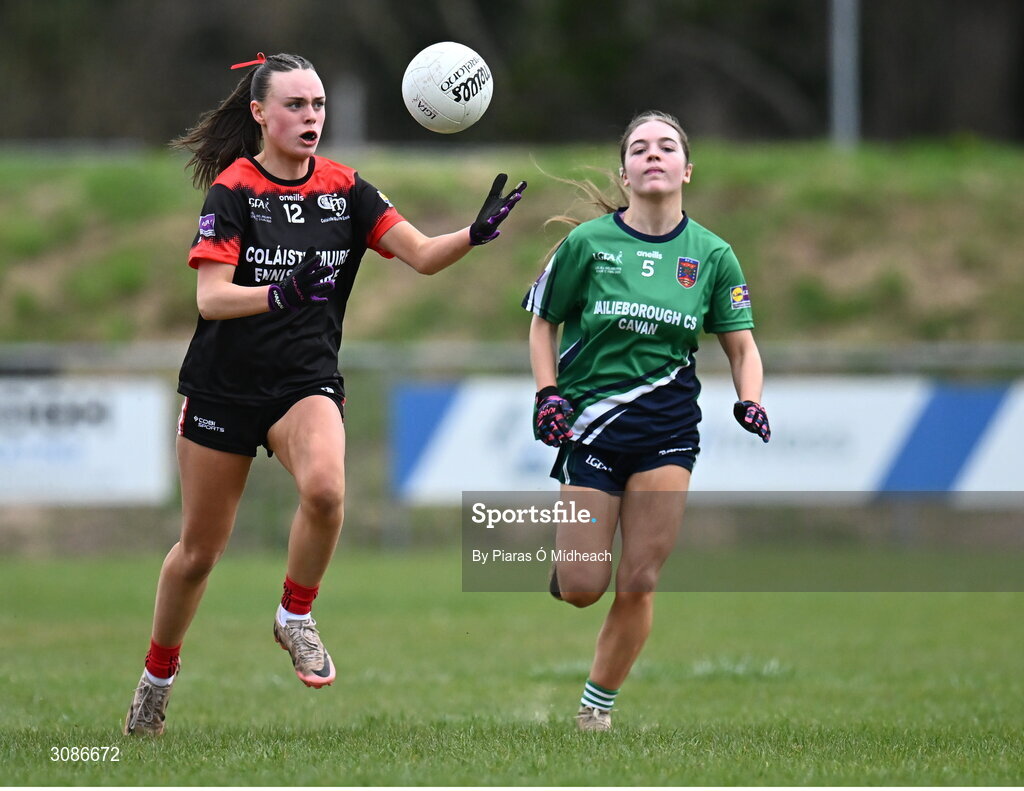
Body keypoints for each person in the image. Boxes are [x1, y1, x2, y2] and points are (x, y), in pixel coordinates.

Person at [123, 52, 526, 735]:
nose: (311, 117)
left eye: (318, 106)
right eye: (295, 106)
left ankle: (295, 612)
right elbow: (211, 298)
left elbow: (422, 255)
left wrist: (474, 234)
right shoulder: (235, 190)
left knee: (327, 490)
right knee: (197, 553)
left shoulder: (348, 190)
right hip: (222, 386)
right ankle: (157, 676)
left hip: (303, 379)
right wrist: (281, 291)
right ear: (259, 113)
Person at [522, 110, 769, 732]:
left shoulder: (712, 255)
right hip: (594, 426)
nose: (652, 155)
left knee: (640, 579)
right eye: (639, 148)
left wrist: (750, 399)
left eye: (666, 147)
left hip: (668, 432)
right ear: (626, 171)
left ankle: (595, 710)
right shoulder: (587, 244)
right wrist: (547, 394)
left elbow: (741, 345)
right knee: (583, 587)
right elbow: (543, 321)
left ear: (687, 169)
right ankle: (574, 567)